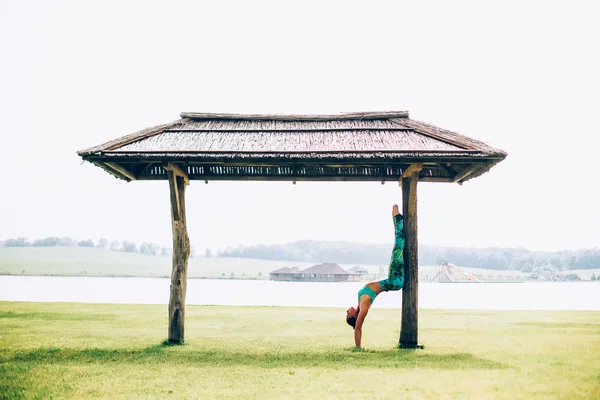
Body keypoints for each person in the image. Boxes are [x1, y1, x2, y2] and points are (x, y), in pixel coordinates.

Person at [346, 204, 405, 348]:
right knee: (398, 248)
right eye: (348, 314)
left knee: (399, 249)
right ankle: (398, 221)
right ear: (354, 316)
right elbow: (358, 328)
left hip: (393, 280)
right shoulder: (364, 304)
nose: (347, 310)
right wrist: (358, 347)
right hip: (394, 281)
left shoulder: (361, 302)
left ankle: (399, 223)